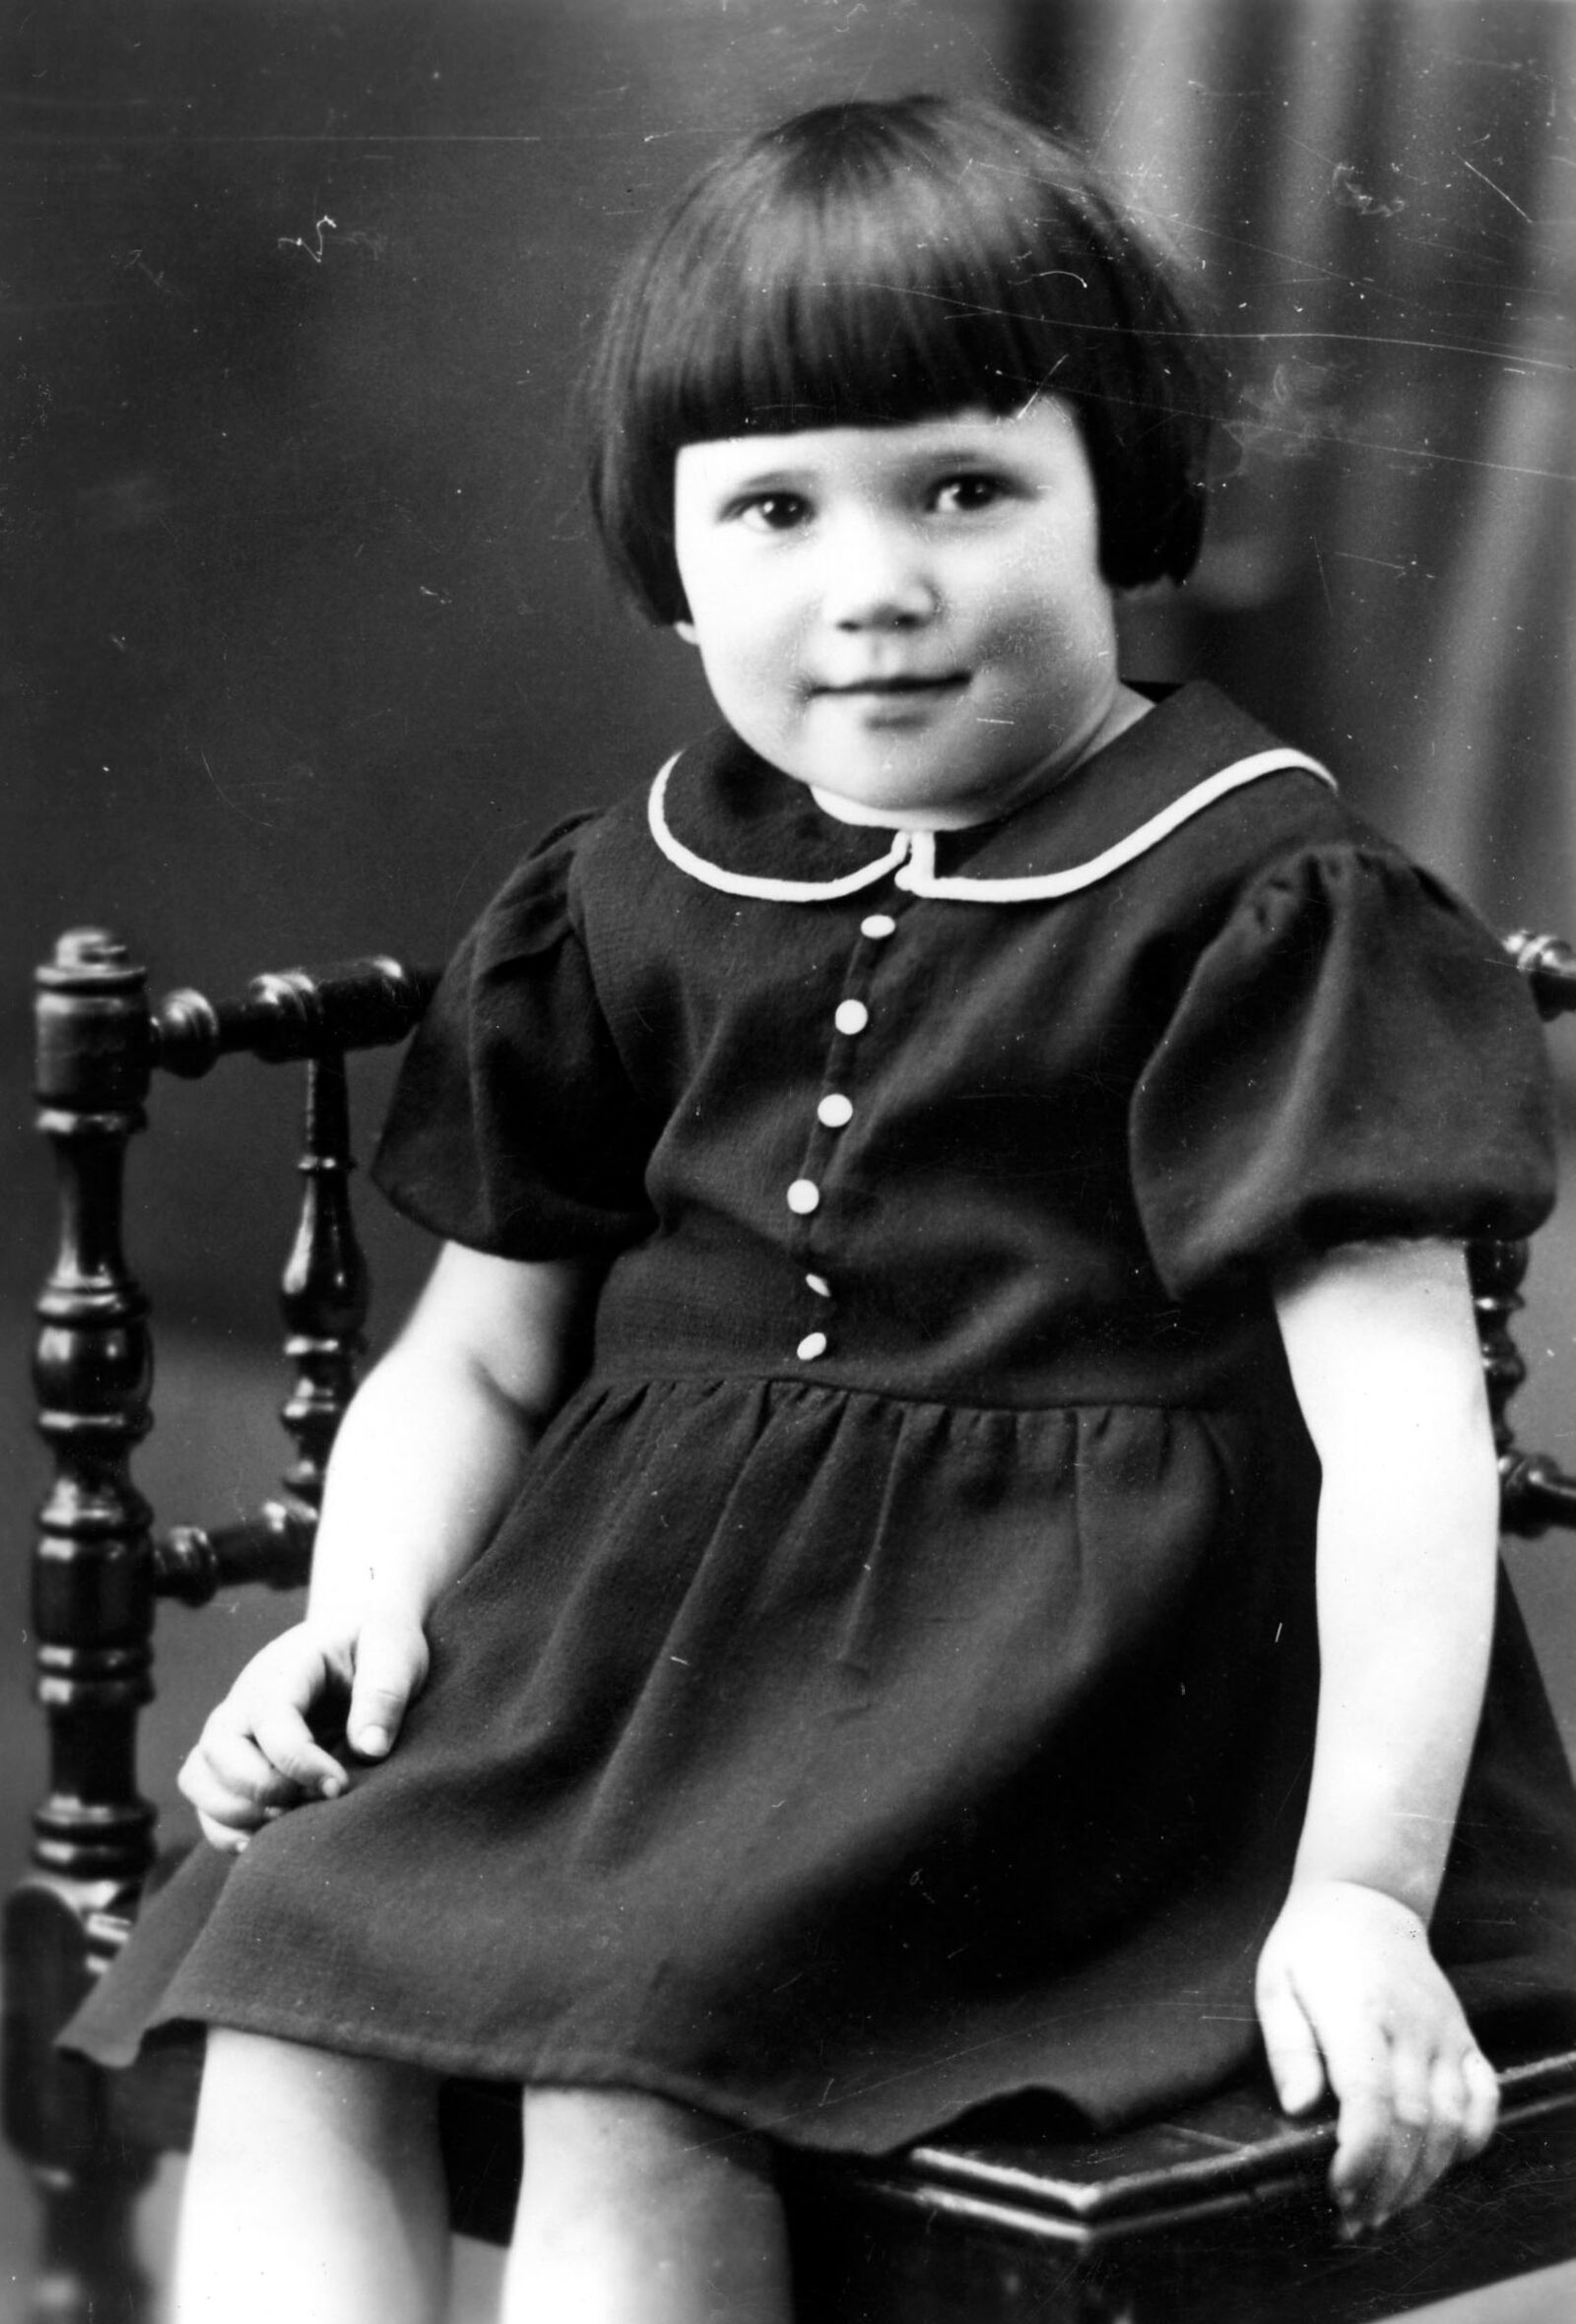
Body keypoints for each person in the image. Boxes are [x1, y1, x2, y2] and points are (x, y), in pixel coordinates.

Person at [65, 93, 1576, 2324]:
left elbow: (1401, 1444)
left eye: (961, 489)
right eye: (773, 507)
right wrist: (362, 1612)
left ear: (1118, 502)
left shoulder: (1257, 895)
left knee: (631, 2061)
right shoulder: (627, 886)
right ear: (675, 566)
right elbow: (475, 1352)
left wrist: (1360, 1890)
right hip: (628, 1677)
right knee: (288, 1984)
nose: (871, 585)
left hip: (1073, 1706)